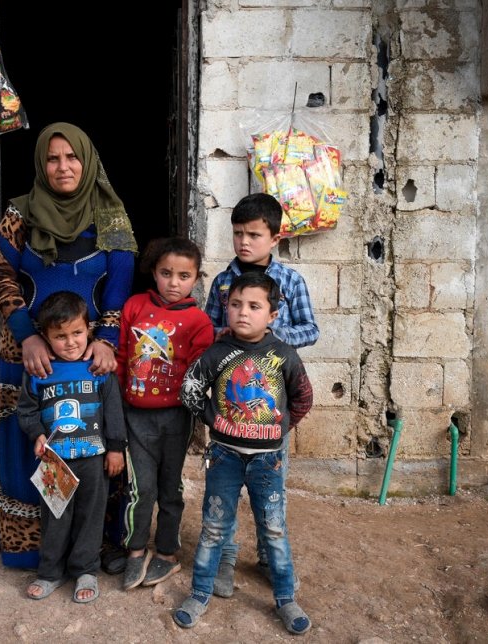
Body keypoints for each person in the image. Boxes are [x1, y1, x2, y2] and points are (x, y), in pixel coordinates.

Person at [0, 122, 137, 572]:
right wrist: (27, 334)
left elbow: (121, 282)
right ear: (41, 163)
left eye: (72, 157)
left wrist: (107, 340)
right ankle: (31, 550)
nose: (63, 166)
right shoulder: (18, 213)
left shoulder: (110, 213)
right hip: (26, 353)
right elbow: (1, 276)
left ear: (87, 161)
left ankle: (89, 550)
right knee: (29, 444)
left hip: (86, 351)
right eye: (53, 158)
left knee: (91, 447)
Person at [174, 271, 314, 634]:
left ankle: (286, 599)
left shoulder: (284, 355)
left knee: (274, 529)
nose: (243, 312)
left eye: (254, 306)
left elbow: (303, 397)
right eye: (235, 305)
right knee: (214, 527)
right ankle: (200, 593)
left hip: (268, 460)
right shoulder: (217, 353)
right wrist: (215, 420)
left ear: (273, 315)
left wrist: (280, 429)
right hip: (225, 458)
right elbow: (190, 389)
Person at [204, 192, 319, 596]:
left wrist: (270, 337)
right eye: (237, 233)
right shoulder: (222, 283)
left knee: (272, 483)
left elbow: (311, 329)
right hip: (230, 402)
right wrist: (222, 335)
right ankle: (225, 557)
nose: (244, 242)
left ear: (275, 237)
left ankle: (270, 556)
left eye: (254, 234)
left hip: (270, 407)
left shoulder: (290, 282)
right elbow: (207, 330)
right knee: (224, 484)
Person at [116, 238, 215, 590]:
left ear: (195, 278)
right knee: (139, 489)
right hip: (135, 416)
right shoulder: (134, 306)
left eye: (184, 275)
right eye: (166, 273)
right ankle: (135, 550)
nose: (174, 282)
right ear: (154, 273)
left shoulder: (198, 321)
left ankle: (168, 552)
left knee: (170, 489)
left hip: (176, 418)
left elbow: (202, 372)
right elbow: (121, 359)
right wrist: (118, 405)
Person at [17, 291, 127, 602]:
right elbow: (26, 410)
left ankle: (85, 570)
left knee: (91, 517)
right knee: (55, 517)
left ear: (88, 329)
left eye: (77, 333)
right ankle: (50, 571)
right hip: (55, 462)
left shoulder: (97, 368)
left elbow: (113, 411)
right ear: (46, 337)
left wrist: (116, 448)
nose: (70, 342)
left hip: (93, 458)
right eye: (60, 336)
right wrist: (36, 433)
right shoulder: (40, 371)